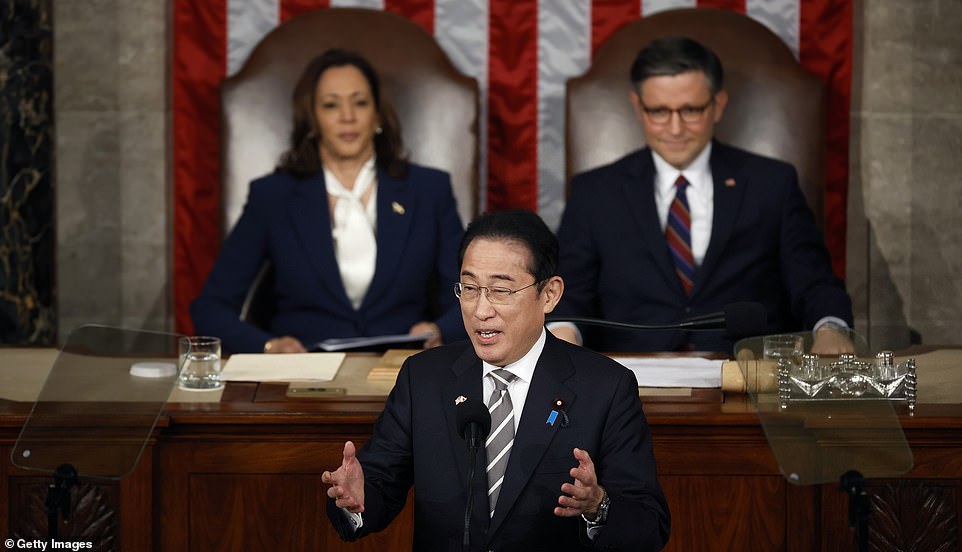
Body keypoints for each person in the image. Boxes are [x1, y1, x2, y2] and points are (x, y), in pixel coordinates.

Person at [322, 209, 670, 551]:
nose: (480, 309)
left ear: (549, 294)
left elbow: (649, 526)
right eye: (470, 288)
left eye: (500, 291)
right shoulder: (423, 378)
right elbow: (378, 486)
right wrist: (355, 498)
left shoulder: (606, 388)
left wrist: (598, 506)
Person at [551, 36, 854, 355]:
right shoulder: (595, 192)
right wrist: (563, 334)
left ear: (718, 105)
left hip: (744, 373)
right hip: (630, 377)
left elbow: (814, 282)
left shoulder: (771, 183)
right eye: (659, 112)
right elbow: (569, 293)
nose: (675, 128)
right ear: (638, 108)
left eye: (691, 110)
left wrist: (830, 329)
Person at [190, 49, 466, 354]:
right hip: (305, 377)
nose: (347, 116)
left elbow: (468, 296)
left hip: (404, 371)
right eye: (331, 105)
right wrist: (268, 346)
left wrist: (441, 330)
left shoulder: (429, 190)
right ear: (312, 120)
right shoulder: (273, 197)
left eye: (359, 102)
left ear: (377, 115)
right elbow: (211, 308)